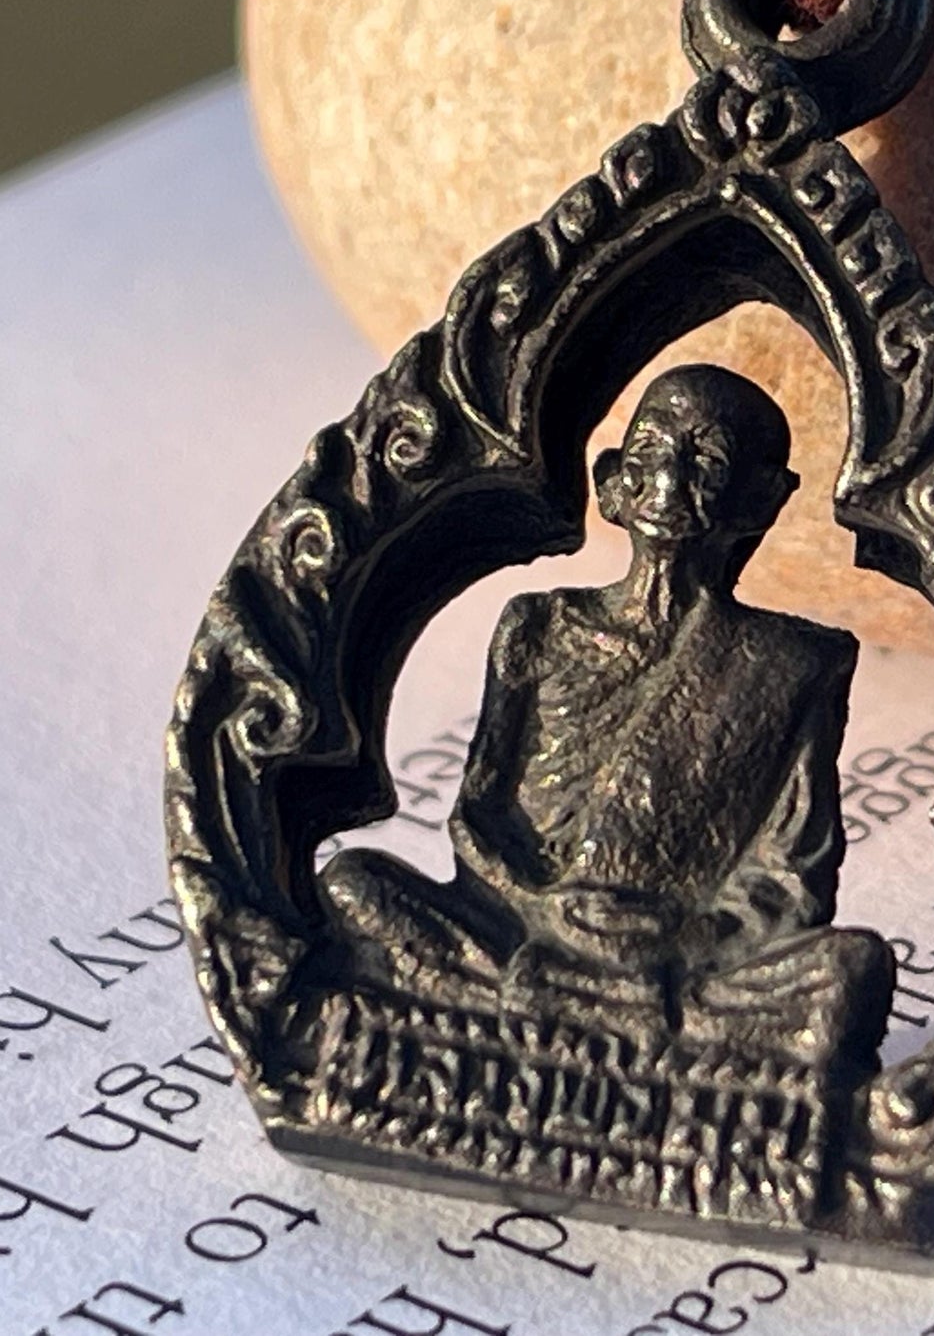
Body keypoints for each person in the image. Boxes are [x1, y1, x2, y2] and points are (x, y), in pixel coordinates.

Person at [322, 364, 893, 1074]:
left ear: (762, 498)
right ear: (612, 479)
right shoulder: (540, 624)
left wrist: (684, 938)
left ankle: (526, 1021)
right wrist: (543, 902)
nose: (668, 482)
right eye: (650, 452)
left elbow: (792, 870)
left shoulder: (795, 663)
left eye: (706, 462)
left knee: (850, 970)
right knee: (354, 883)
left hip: (674, 961)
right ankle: (625, 1033)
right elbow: (482, 816)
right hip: (521, 930)